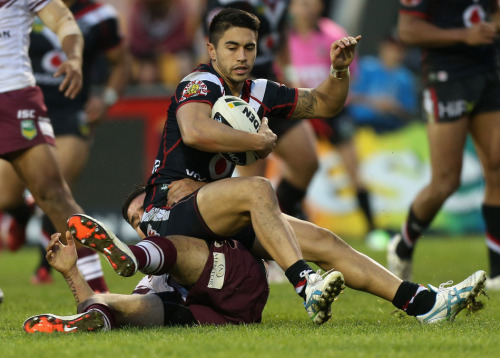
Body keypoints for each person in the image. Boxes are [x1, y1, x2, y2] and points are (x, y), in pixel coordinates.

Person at [66, 8, 486, 327]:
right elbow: (194, 131)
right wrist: (260, 141)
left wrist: (338, 71)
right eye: (231, 47)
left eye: (249, 47)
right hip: (168, 209)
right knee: (258, 189)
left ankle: (424, 304)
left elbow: (323, 103)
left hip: (210, 208)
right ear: (211, 50)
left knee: (325, 240)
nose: (242, 56)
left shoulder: (259, 89)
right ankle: (305, 283)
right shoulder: (199, 82)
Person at [0, 0, 129, 291]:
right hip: (33, 101)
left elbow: (64, 21)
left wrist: (75, 59)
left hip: (34, 102)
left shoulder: (101, 15)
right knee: (6, 198)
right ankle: (21, 216)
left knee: (54, 192)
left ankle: (98, 292)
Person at [387, 0, 500, 291]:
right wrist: (464, 35)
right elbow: (407, 31)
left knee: (497, 168)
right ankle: (404, 243)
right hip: (447, 77)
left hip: (488, 71)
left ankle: (498, 272)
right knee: (446, 181)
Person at [23, 229, 270, 333]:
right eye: (133, 220)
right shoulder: (154, 280)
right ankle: (97, 322)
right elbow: (134, 305)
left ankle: (134, 255)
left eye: (141, 212)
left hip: (238, 284)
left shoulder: (201, 217)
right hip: (196, 313)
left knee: (177, 248)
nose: (140, 222)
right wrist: (71, 272)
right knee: (114, 304)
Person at [204, 0, 319, 220]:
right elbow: (211, 46)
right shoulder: (225, 5)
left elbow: (281, 31)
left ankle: (288, 211)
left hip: (270, 86)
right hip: (238, 92)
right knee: (255, 180)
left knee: (307, 160)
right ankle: (252, 240)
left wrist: (287, 70)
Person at [280, 0, 379, 241]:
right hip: (299, 111)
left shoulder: (333, 34)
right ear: (290, 8)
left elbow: (349, 74)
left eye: (311, 3)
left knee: (353, 168)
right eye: (300, 4)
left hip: (334, 113)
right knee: (292, 168)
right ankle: (292, 227)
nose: (306, 8)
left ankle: (373, 229)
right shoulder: (282, 40)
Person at [348, 36, 417, 134]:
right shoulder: (366, 66)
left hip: (390, 128)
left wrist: (393, 107)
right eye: (391, 48)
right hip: (358, 124)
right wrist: (373, 102)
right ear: (382, 47)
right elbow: (348, 96)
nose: (394, 53)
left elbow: (409, 112)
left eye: (399, 50)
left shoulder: (406, 78)